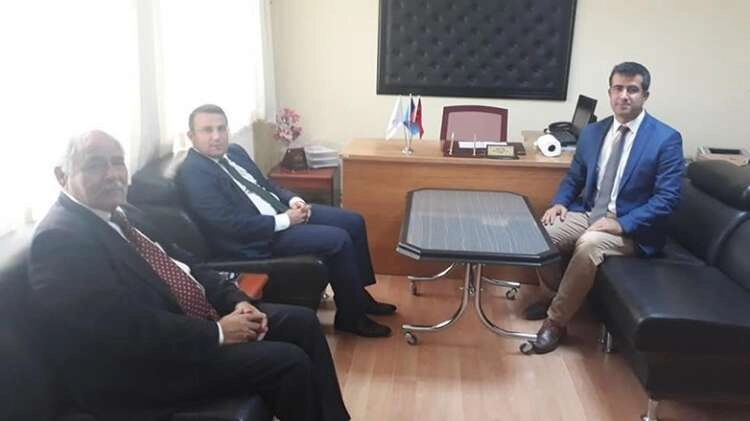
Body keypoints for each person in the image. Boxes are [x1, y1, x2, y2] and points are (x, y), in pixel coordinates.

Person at [28, 130, 350, 421]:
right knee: (288, 363)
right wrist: (217, 333)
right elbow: (122, 328)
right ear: (62, 175)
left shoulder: (122, 212)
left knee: (302, 323)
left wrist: (237, 301)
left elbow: (190, 265)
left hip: (186, 325)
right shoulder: (60, 239)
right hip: (140, 370)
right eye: (96, 165)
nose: (113, 174)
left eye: (117, 162)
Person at [176, 104, 395, 338]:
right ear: (191, 136)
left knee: (353, 221)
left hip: (281, 212)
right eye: (207, 130)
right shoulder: (194, 173)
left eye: (221, 128)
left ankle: (359, 296)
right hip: (258, 236)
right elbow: (228, 225)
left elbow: (266, 185)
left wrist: (294, 200)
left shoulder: (235, 152)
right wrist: (285, 221)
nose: (217, 136)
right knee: (338, 239)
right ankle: (351, 317)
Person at [525, 62, 684, 353]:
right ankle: (553, 295)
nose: (624, 96)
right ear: (609, 93)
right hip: (590, 213)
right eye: (618, 88)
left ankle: (556, 321)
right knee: (539, 233)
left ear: (645, 95)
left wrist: (620, 224)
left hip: (633, 228)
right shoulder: (593, 133)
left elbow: (667, 199)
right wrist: (559, 203)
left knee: (589, 244)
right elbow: (574, 177)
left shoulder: (665, 139)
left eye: (632, 90)